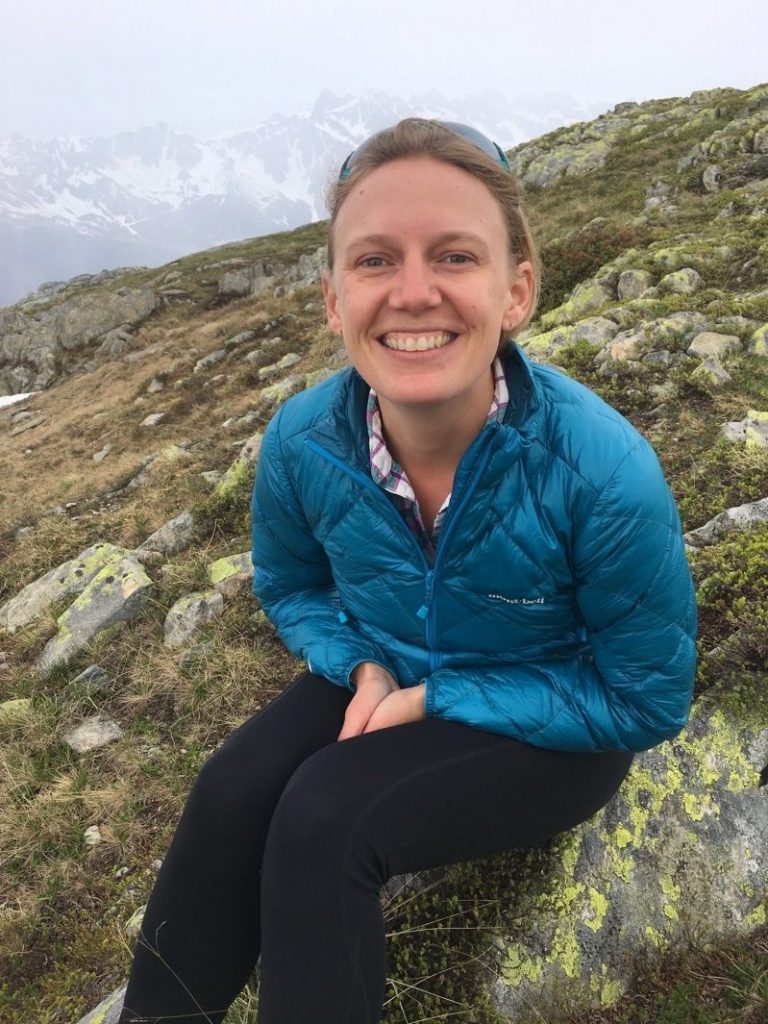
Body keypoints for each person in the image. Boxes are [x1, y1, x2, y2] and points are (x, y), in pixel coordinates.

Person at [118, 119, 697, 1024]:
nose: (413, 293)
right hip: (381, 668)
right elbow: (295, 585)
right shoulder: (303, 440)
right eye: (376, 260)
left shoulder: (601, 469)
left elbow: (644, 698)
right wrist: (362, 665)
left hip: (556, 717)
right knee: (233, 788)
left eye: (455, 257)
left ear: (517, 293)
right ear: (333, 300)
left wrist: (439, 700)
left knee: (326, 817)